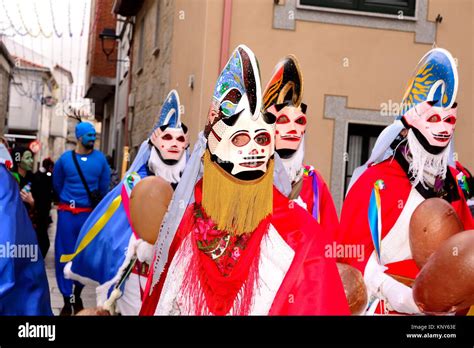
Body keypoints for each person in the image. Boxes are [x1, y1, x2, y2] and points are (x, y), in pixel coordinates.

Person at [140, 45, 349, 316]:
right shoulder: (187, 226)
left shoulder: (300, 233)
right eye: (240, 138)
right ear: (211, 151)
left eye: (262, 138)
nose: (254, 149)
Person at [337, 48, 473, 315]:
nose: (444, 128)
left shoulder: (459, 181)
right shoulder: (376, 181)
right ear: (410, 122)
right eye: (434, 118)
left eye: (450, 120)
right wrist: (392, 291)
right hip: (387, 305)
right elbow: (349, 250)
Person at [62, 90, 190, 315]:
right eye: (167, 137)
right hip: (135, 274)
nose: (174, 144)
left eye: (180, 139)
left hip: (173, 276)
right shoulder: (134, 182)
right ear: (154, 141)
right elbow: (116, 231)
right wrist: (137, 246)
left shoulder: (189, 186)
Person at [263, 55, 339, 237]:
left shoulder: (313, 182)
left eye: (299, 121)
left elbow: (331, 239)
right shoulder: (252, 178)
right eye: (283, 120)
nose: (292, 129)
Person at [53, 121, 110, 315]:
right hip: (67, 215)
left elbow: (104, 188)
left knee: (84, 256)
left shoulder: (101, 160)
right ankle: (66, 297)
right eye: (89, 135)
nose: (93, 139)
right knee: (63, 253)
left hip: (88, 216)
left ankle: (76, 293)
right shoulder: (64, 160)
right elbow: (57, 183)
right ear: (79, 137)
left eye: (94, 135)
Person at [0, 143, 52, 315]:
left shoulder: (38, 180)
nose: (31, 161)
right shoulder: (9, 178)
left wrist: (33, 202)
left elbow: (46, 207)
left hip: (32, 236)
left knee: (27, 276)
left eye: (32, 157)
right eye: (27, 157)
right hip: (10, 240)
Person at [29, 158, 55, 259]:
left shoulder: (36, 175)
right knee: (43, 240)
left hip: (38, 210)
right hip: (41, 211)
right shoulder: (47, 176)